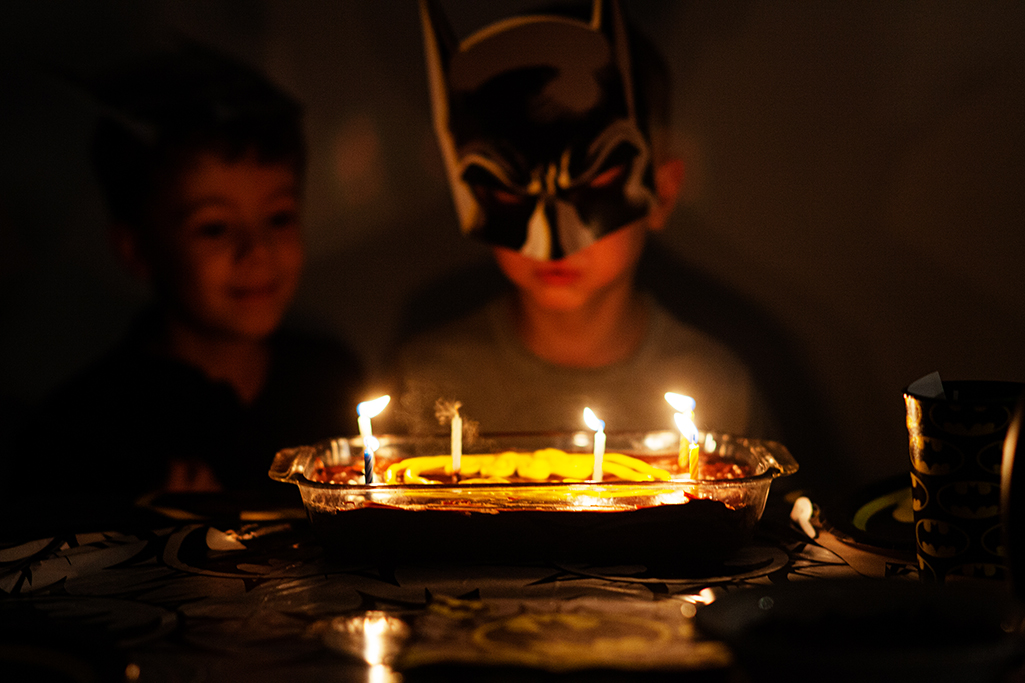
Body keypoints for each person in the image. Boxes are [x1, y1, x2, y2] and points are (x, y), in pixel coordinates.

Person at [390, 0, 774, 439]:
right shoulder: (427, 381)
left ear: (662, 193)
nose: (553, 239)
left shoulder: (717, 391)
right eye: (510, 188)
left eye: (592, 184)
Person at [13, 46, 363, 513]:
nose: (257, 251)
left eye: (278, 218)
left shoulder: (328, 383)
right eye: (214, 228)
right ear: (136, 248)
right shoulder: (84, 433)